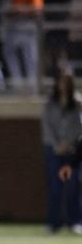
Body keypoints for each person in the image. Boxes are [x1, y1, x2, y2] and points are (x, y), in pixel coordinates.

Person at [42, 70, 82, 233]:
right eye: (61, 81)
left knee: (74, 185)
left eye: (67, 82)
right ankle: (53, 222)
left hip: (72, 151)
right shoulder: (50, 103)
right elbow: (47, 127)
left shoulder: (77, 103)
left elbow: (79, 127)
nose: (64, 85)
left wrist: (71, 144)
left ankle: (75, 221)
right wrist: (57, 145)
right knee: (55, 187)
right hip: (54, 150)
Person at [5, 0, 46, 86]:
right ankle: (32, 84)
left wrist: (14, 9)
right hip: (35, 15)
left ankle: (18, 83)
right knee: (30, 54)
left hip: (23, 15)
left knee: (9, 50)